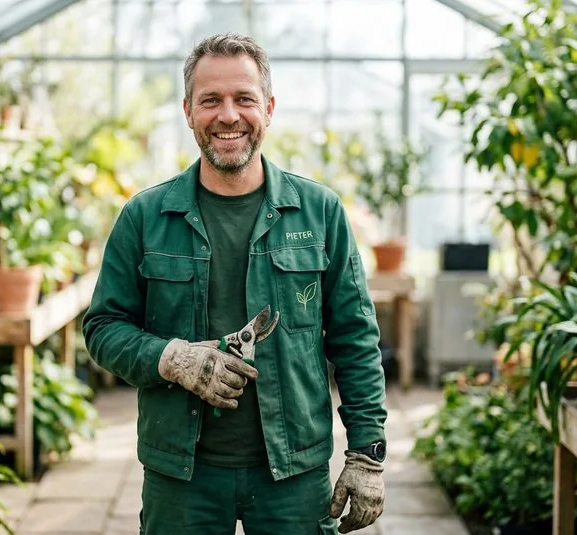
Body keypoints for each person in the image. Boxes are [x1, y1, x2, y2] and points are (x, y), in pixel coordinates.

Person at [82, 32, 388, 535]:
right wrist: (172, 359)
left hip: (293, 472)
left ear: (267, 108)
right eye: (211, 101)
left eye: (244, 99)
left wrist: (367, 454)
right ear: (188, 110)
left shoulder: (320, 211)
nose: (228, 116)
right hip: (182, 474)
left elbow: (356, 338)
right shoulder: (145, 216)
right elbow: (103, 327)